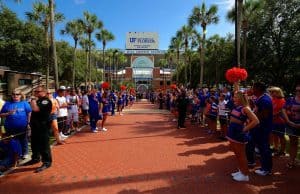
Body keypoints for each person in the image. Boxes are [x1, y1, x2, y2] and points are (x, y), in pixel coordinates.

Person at [227, 91, 259, 182]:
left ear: (241, 98)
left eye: (236, 97)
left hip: (238, 133)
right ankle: (241, 171)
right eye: (234, 97)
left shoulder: (246, 108)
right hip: (232, 132)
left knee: (241, 154)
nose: (234, 98)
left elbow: (256, 121)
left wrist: (244, 129)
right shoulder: (237, 106)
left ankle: (245, 175)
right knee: (237, 154)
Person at [246, 82, 273, 176]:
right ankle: (259, 165)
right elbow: (256, 110)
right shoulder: (260, 98)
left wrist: (252, 118)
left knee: (264, 148)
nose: (252, 89)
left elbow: (264, 115)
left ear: (258, 89)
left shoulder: (265, 99)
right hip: (257, 128)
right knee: (257, 146)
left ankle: (266, 169)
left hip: (262, 128)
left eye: (253, 88)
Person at [26, 86, 52, 173]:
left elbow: (35, 109)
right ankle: (35, 158)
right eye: (35, 91)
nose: (35, 93)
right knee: (34, 144)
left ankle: (47, 162)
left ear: (43, 92)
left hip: (43, 127)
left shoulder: (46, 101)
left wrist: (32, 100)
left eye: (38, 91)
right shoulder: (38, 101)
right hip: (35, 126)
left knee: (44, 145)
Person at [0, 89, 32, 159]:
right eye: (13, 94)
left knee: (23, 140)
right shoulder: (7, 103)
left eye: (17, 94)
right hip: (9, 127)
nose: (15, 96)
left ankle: (25, 153)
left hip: (22, 126)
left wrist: (28, 123)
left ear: (20, 95)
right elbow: (1, 114)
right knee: (13, 141)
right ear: (11, 95)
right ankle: (16, 154)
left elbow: (29, 113)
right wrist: (8, 113)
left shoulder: (24, 103)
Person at [282, 83, 300, 168]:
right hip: (291, 125)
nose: (298, 92)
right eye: (296, 90)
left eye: (299, 90)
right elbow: (283, 109)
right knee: (293, 143)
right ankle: (292, 161)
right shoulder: (290, 99)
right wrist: (288, 121)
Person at [268, 87, 286, 156]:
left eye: (273, 92)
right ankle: (276, 148)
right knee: (274, 134)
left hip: (280, 121)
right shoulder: (272, 99)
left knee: (281, 136)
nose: (271, 93)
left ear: (278, 92)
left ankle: (282, 151)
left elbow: (281, 111)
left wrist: (272, 115)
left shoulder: (282, 100)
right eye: (271, 92)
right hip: (273, 121)